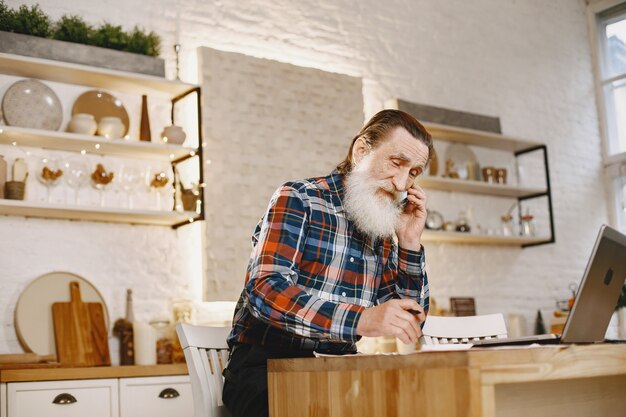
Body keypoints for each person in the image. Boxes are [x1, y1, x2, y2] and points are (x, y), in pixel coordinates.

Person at [222, 109, 433, 417]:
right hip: (267, 370)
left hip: (340, 371)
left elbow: (410, 320)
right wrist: (360, 320)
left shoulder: (385, 227)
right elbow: (264, 290)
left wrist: (410, 243)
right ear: (361, 151)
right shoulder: (299, 197)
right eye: (396, 163)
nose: (402, 184)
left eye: (413, 172)